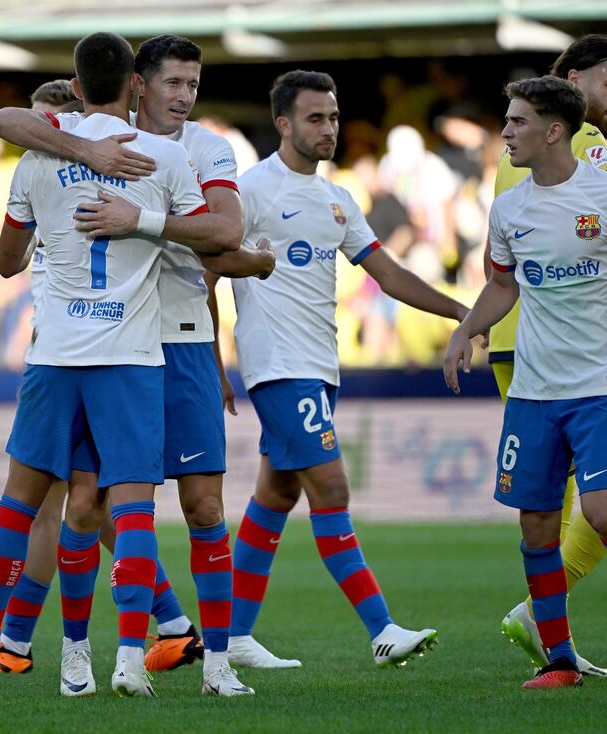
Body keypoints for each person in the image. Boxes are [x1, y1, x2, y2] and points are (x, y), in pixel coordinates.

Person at [0, 32, 232, 699]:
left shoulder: (37, 160)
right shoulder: (162, 156)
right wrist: (145, 221)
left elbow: (8, 261)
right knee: (129, 511)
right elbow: (220, 235)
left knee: (22, 504)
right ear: (136, 82)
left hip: (54, 356)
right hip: (130, 359)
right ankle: (129, 659)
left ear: (72, 87)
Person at [445, 76, 607, 689]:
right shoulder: (508, 208)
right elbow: (503, 285)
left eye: (517, 122)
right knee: (536, 527)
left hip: (601, 387)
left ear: (554, 130)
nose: (505, 132)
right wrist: (466, 330)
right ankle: (559, 660)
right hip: (532, 393)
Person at [224, 71, 466, 669]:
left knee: (276, 496)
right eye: (315, 118)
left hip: (318, 364)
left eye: (333, 117)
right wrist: (209, 349)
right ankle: (382, 630)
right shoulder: (249, 189)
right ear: (283, 124)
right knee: (331, 488)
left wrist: (464, 310)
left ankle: (231, 637)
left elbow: (389, 274)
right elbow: (212, 263)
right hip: (278, 364)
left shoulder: (338, 200)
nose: (328, 128)